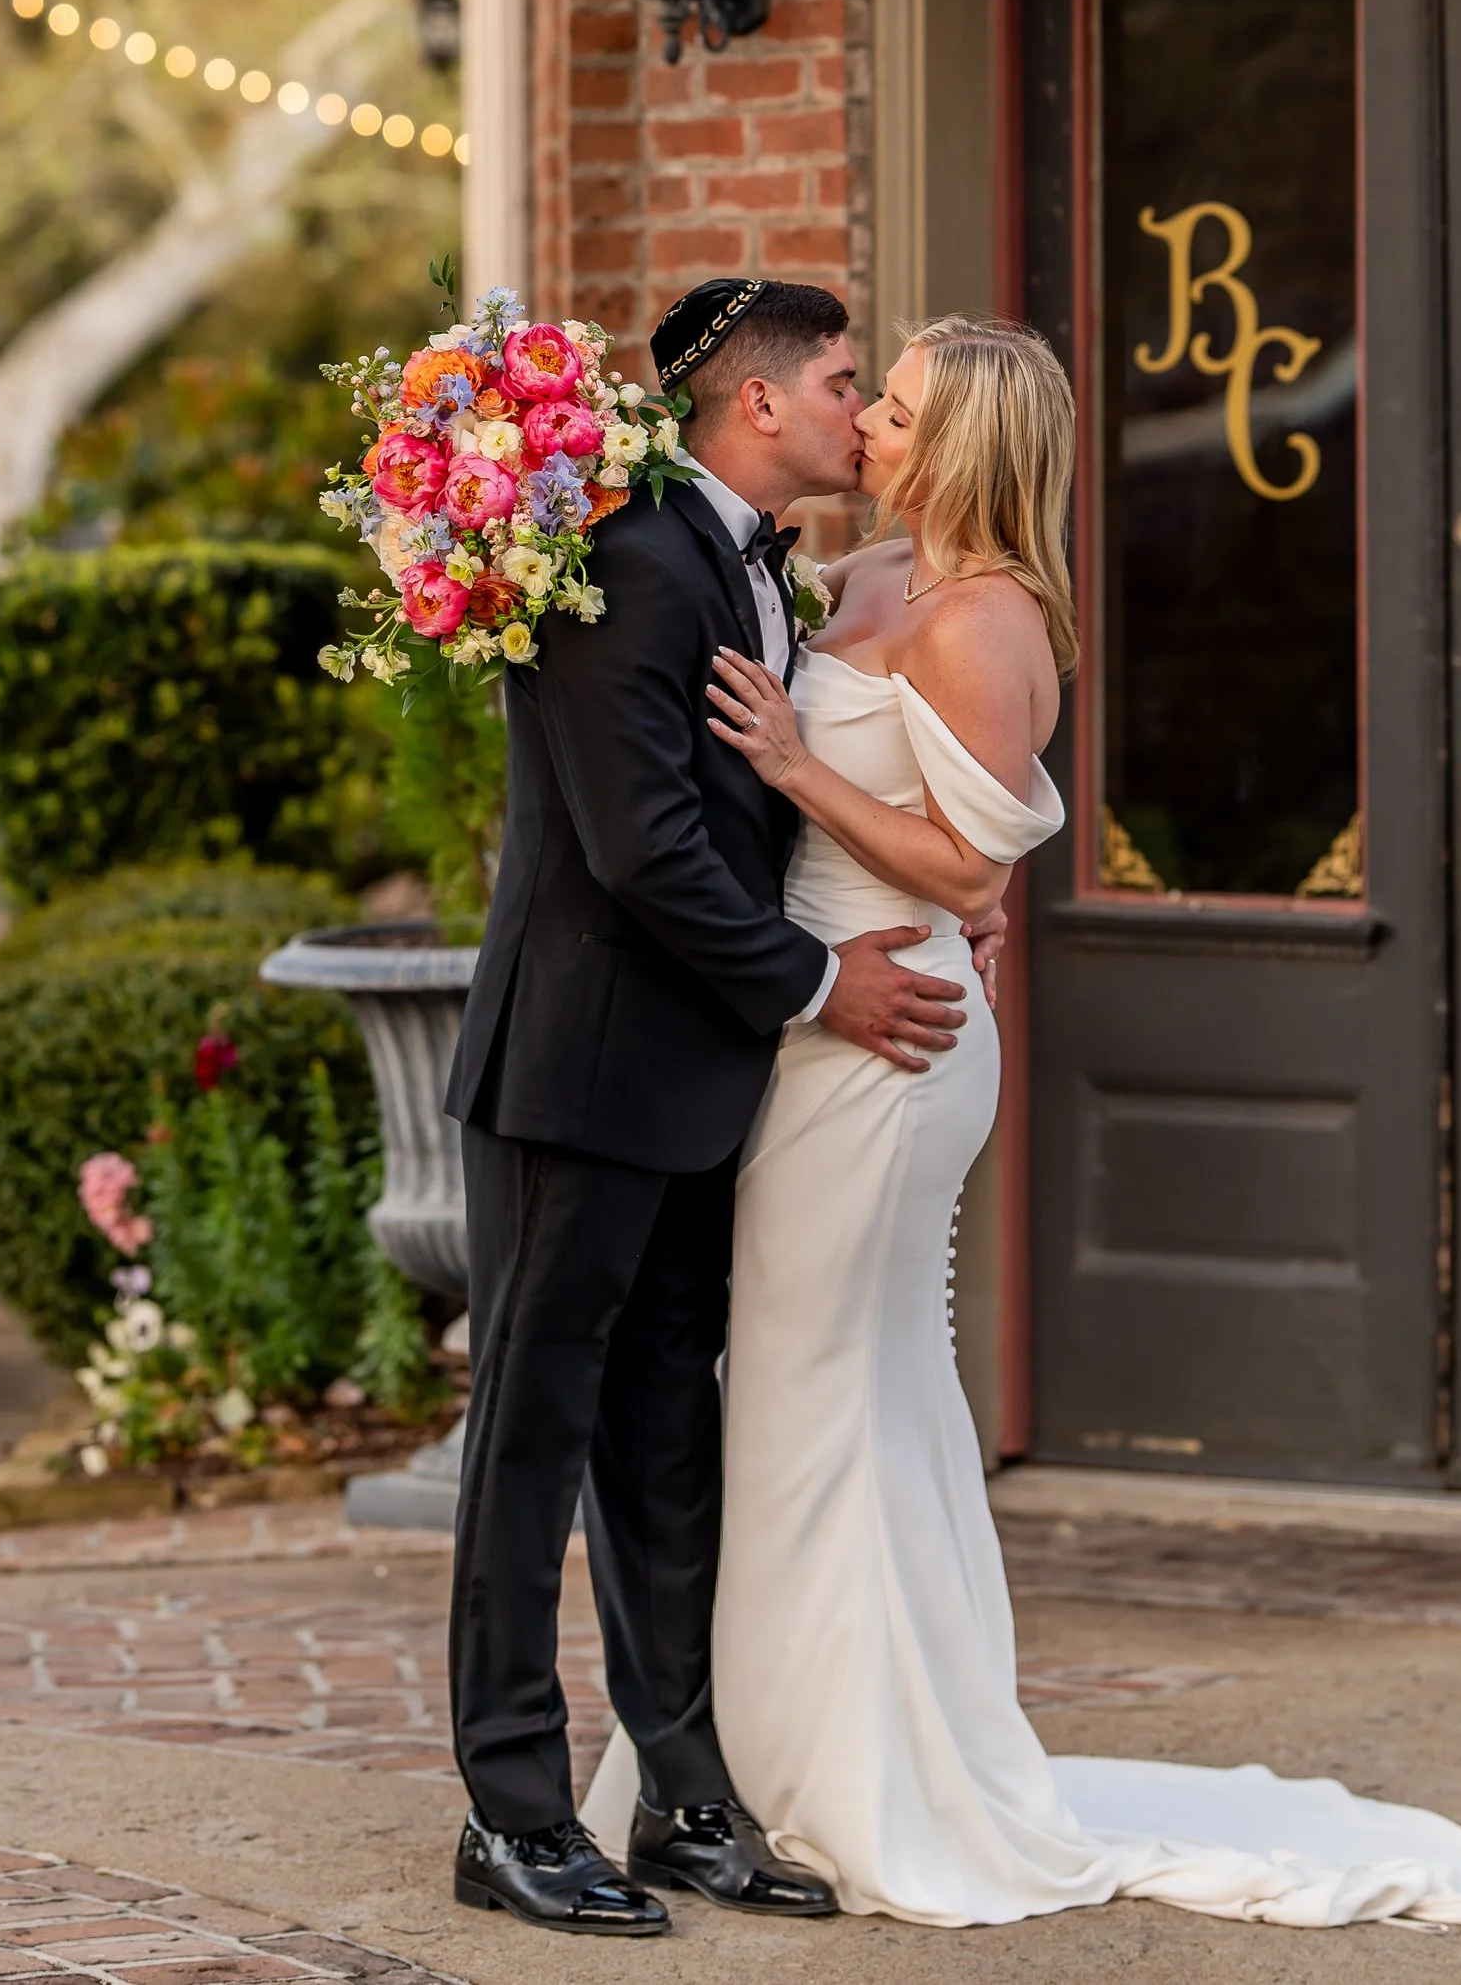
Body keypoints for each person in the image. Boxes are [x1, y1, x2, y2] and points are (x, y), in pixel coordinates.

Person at [586, 314, 1461, 1934]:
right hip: (813, 1026)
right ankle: (755, 1754)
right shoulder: (862, 574)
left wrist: (799, 769)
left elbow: (974, 866)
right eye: (869, 398)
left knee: (827, 1390)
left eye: (897, 410)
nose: (866, 424)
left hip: (890, 1049)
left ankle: (857, 1776)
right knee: (812, 1392)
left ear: (965, 443)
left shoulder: (988, 618)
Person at [445, 276, 991, 1938]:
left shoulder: (764, 567)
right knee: (530, 1443)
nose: (861, 411)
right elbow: (643, 845)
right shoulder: (628, 553)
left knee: (668, 1443)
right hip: (578, 1073)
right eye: (842, 380)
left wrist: (934, 890)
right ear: (757, 400)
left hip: (704, 1081)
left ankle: (686, 1793)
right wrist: (825, 982)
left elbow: (774, 810)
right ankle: (511, 1810)